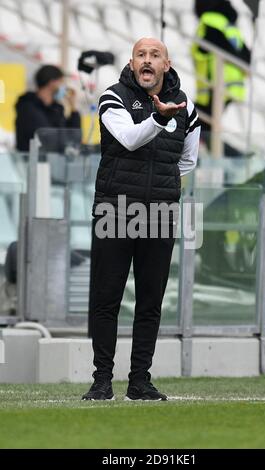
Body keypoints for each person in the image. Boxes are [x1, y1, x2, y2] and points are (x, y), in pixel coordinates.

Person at [82, 37, 201, 401]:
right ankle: (102, 380)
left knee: (151, 300)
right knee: (107, 298)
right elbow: (130, 139)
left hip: (161, 212)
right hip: (115, 208)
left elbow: (188, 161)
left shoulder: (187, 107)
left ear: (167, 63)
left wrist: (162, 188)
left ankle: (140, 381)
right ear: (132, 63)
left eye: (155, 55)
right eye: (141, 55)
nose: (147, 61)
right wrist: (157, 118)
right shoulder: (113, 96)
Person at [191, 0, 251, 154]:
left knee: (198, 124)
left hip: (215, 85)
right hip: (231, 86)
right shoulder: (229, 26)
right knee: (202, 125)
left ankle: (234, 157)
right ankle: (233, 156)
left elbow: (212, 48)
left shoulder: (209, 21)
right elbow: (246, 56)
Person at [15, 64, 81, 152]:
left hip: (54, 162)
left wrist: (73, 108)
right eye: (61, 82)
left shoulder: (56, 109)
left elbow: (73, 138)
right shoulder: (28, 107)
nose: (64, 87)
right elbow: (49, 138)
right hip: (31, 163)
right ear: (52, 82)